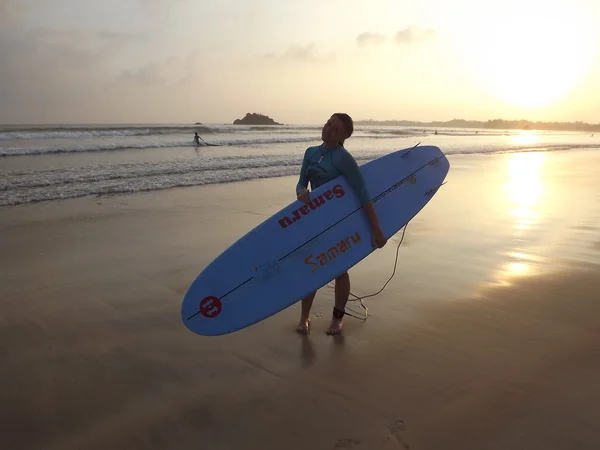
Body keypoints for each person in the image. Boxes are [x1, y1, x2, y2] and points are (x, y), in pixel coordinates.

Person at [295, 113, 388, 336]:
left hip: (338, 222)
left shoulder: (344, 158)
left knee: (339, 269)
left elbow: (362, 193)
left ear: (344, 136)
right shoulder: (310, 152)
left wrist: (376, 228)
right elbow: (301, 183)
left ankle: (337, 320)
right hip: (314, 220)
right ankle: (304, 318)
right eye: (328, 124)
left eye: (336, 129)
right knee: (312, 268)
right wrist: (301, 193)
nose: (328, 130)